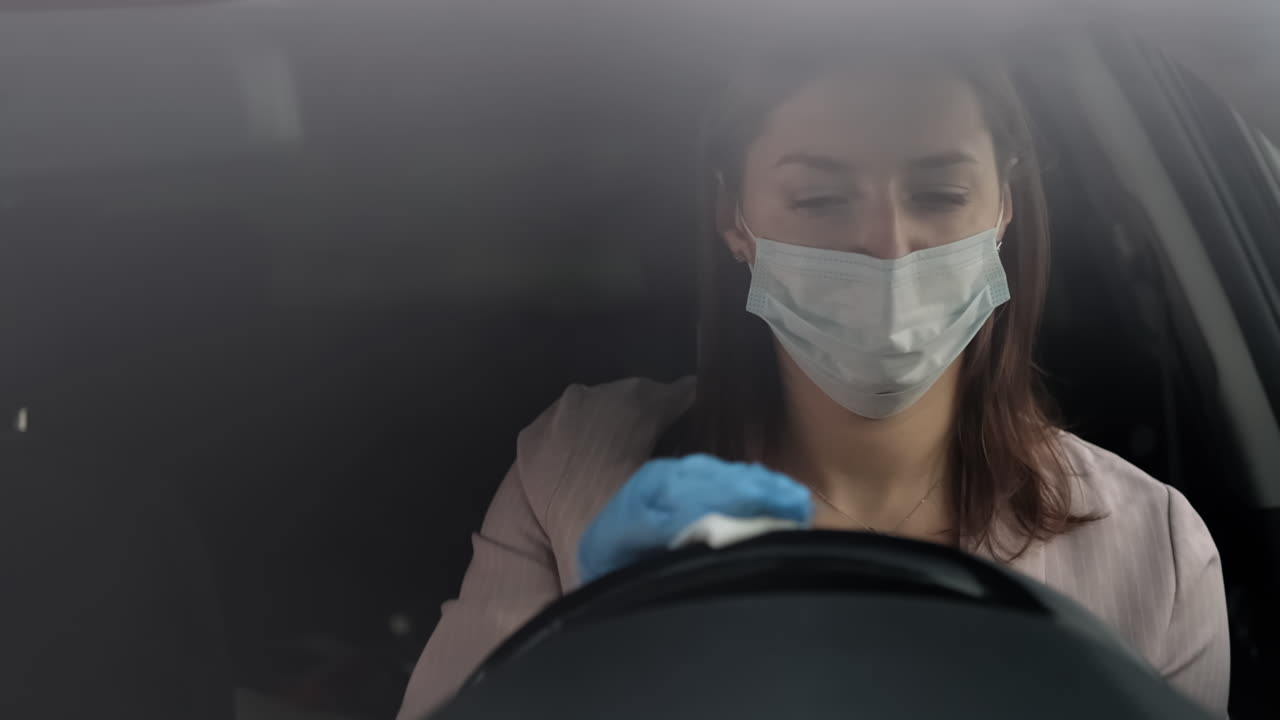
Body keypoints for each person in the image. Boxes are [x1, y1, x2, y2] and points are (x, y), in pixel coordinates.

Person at [396, 35, 1230, 720]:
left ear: (1004, 207)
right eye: (821, 200)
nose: (889, 243)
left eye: (939, 192)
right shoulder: (574, 476)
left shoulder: (1151, 554)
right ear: (736, 218)